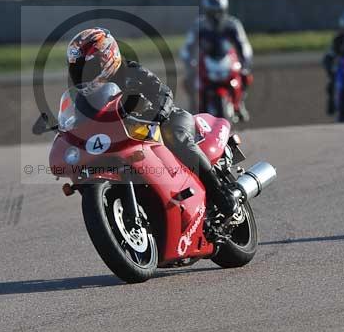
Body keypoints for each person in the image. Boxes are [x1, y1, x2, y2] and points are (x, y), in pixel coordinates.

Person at [67, 27, 240, 218]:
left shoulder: (130, 71)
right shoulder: (84, 98)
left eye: (88, 68)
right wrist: (68, 129)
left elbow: (163, 92)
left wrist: (157, 114)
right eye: (78, 70)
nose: (84, 75)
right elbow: (81, 122)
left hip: (164, 120)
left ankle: (220, 192)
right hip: (127, 137)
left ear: (107, 57)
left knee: (176, 137)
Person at [180, 0, 253, 118]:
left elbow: (243, 44)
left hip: (227, 58)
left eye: (219, 12)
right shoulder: (199, 26)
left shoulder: (233, 24)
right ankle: (193, 105)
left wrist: (244, 61)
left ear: (225, 10)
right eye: (212, 13)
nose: (216, 17)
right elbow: (188, 46)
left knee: (245, 76)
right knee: (188, 79)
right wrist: (189, 61)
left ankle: (240, 103)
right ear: (206, 12)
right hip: (206, 60)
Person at [323, 8, 344, 115]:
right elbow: (329, 57)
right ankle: (333, 105)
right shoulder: (338, 39)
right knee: (334, 84)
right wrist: (333, 67)